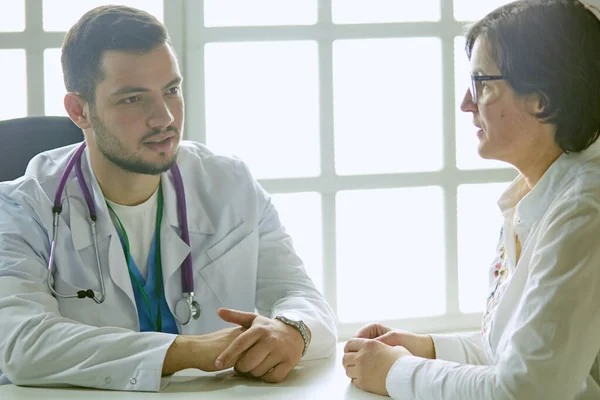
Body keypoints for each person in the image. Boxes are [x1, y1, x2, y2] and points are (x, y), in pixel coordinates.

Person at [0, 5, 337, 392]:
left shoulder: (229, 183)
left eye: (171, 91)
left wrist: (292, 331)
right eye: (133, 99)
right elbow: (22, 344)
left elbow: (301, 296)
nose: (164, 118)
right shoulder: (24, 206)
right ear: (80, 111)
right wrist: (190, 351)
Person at [343, 0, 600, 398]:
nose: (466, 101)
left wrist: (396, 372)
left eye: (483, 83)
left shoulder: (585, 211)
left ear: (542, 98)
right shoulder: (536, 197)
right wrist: (426, 348)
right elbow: (520, 349)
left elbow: (526, 391)